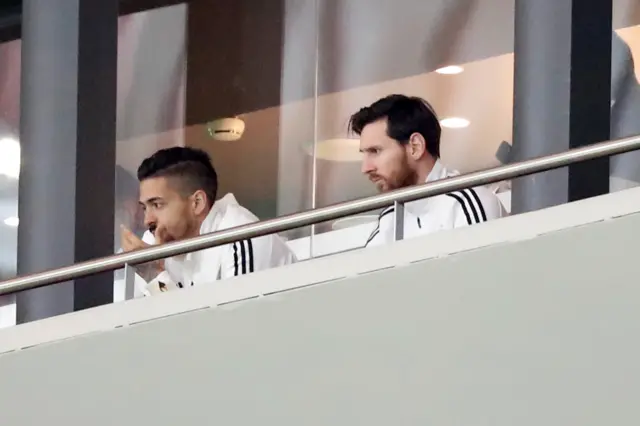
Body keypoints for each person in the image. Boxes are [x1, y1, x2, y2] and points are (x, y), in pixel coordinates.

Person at [120, 147, 296, 296]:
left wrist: (155, 276)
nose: (147, 220)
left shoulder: (240, 235)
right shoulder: (151, 246)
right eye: (144, 208)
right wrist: (154, 276)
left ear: (197, 203)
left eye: (157, 205)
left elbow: (234, 327)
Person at [348, 94, 506, 247]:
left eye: (375, 151)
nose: (365, 168)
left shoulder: (465, 203)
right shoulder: (390, 219)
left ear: (415, 147)